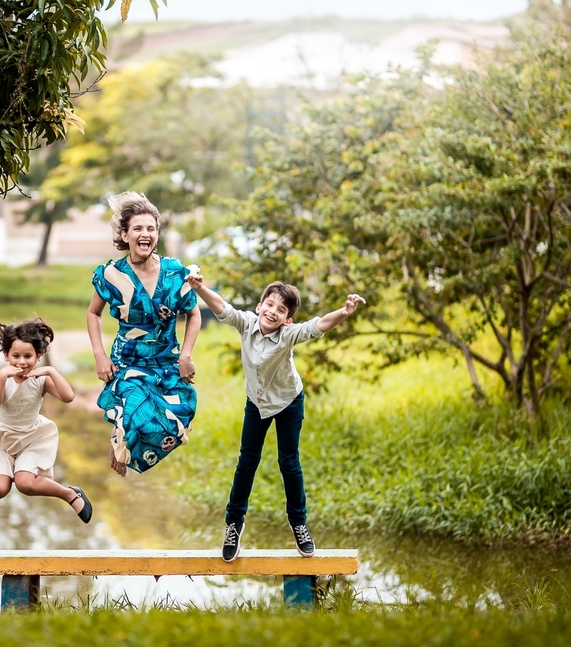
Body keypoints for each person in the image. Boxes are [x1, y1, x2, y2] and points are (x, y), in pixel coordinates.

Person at [184, 271, 365, 560]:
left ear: (287, 319)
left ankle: (299, 524)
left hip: (288, 401)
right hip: (257, 402)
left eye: (281, 310)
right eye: (270, 305)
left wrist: (344, 311)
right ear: (259, 306)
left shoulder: (289, 335)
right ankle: (234, 524)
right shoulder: (246, 324)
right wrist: (200, 288)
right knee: (247, 462)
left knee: (289, 463)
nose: (273, 312)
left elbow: (318, 326)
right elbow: (222, 308)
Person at [88, 192, 202, 476]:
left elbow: (194, 313)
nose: (145, 234)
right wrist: (99, 355)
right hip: (128, 361)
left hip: (166, 361)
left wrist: (186, 355)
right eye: (138, 228)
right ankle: (122, 435)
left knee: (177, 421)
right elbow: (93, 313)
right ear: (125, 235)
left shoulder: (175, 273)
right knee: (137, 414)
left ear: (157, 235)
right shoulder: (111, 275)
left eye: (151, 228)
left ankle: (122, 438)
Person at [0, 318, 92, 523]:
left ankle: (70, 494)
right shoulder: (0, 380)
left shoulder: (41, 380)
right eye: (15, 356)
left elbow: (68, 397)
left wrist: (51, 371)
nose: (21, 361)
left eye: (28, 356)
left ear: (38, 356)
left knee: (25, 484)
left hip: (31, 438)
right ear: (5, 355)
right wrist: (2, 377)